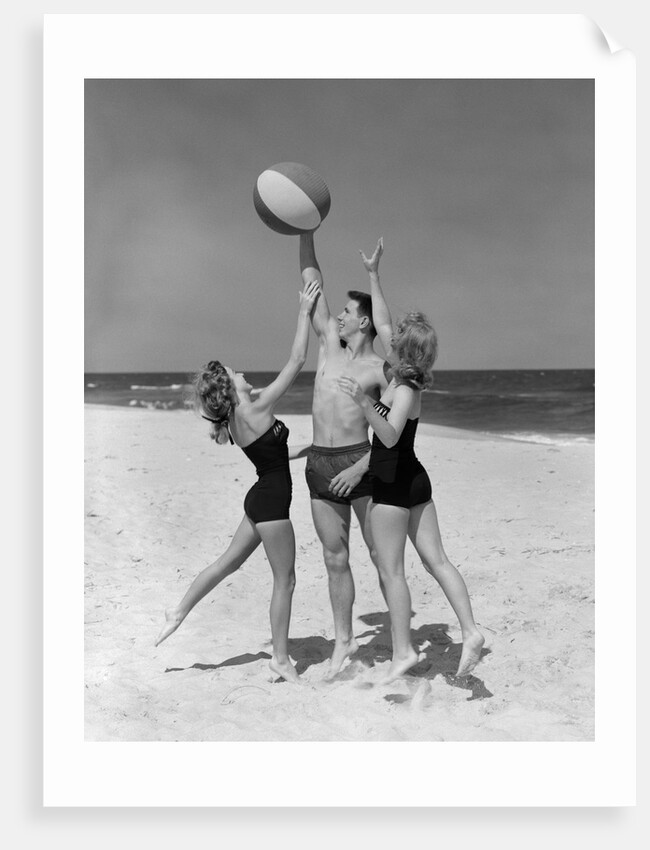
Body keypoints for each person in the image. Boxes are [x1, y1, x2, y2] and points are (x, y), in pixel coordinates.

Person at [155, 279, 321, 684]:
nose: (242, 371)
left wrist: (308, 450)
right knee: (285, 580)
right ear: (231, 388)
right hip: (271, 504)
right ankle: (280, 659)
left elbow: (273, 456)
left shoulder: (236, 419)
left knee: (226, 564)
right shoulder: (253, 410)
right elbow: (298, 359)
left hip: (261, 498)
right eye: (235, 372)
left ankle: (178, 611)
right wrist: (304, 311)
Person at [338, 238, 485, 683]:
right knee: (437, 560)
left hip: (393, 482)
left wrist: (364, 402)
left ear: (404, 349)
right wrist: (373, 274)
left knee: (392, 571)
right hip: (415, 479)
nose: (389, 337)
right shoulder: (403, 374)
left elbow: (389, 434)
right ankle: (471, 631)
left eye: (396, 338)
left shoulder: (403, 389)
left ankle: (403, 652)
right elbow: (382, 320)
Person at [299, 232, 389, 678]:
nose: (339, 316)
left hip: (361, 462)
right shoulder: (328, 347)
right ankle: (344, 640)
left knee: (380, 554)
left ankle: (402, 644)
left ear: (364, 323)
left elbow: (394, 434)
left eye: (348, 313)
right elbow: (313, 285)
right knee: (334, 558)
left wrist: (360, 467)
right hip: (320, 462)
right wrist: (305, 232)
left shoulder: (379, 370)